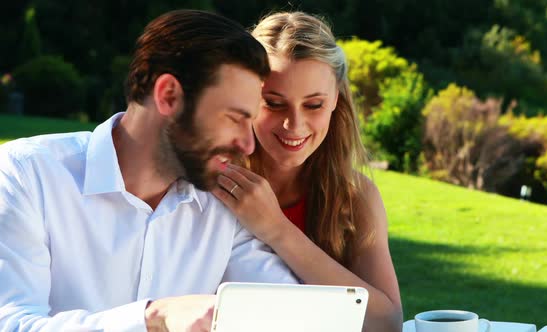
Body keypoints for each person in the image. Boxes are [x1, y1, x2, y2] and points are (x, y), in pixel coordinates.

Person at [0, 10, 298, 332]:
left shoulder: (222, 207)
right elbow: (12, 322)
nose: (247, 145)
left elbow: (292, 316)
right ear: (168, 96)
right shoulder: (27, 175)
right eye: (233, 118)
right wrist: (153, 316)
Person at [212, 12, 403, 332]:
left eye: (313, 105)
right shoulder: (214, 182)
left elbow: (386, 322)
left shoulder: (354, 196)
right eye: (273, 103)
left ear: (335, 102)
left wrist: (276, 229)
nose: (294, 125)